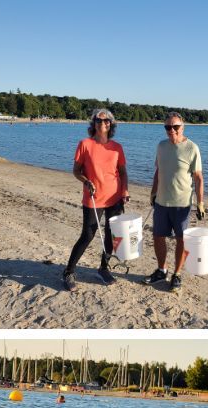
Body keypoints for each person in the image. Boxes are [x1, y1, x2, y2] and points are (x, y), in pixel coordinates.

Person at [63, 109, 129, 291]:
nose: (102, 124)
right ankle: (69, 271)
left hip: (115, 198)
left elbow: (123, 173)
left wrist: (125, 191)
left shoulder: (117, 147)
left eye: (106, 121)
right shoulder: (85, 144)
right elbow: (76, 171)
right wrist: (86, 181)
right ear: (94, 124)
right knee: (88, 235)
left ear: (111, 124)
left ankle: (103, 268)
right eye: (98, 121)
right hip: (93, 198)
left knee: (111, 235)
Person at [143, 112, 205, 293]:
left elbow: (199, 178)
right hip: (161, 202)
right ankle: (162, 270)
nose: (172, 130)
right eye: (168, 127)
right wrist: (153, 192)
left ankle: (176, 274)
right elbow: (158, 171)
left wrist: (200, 203)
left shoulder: (192, 148)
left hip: (182, 204)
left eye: (175, 127)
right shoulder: (161, 146)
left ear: (182, 127)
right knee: (157, 237)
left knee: (181, 240)